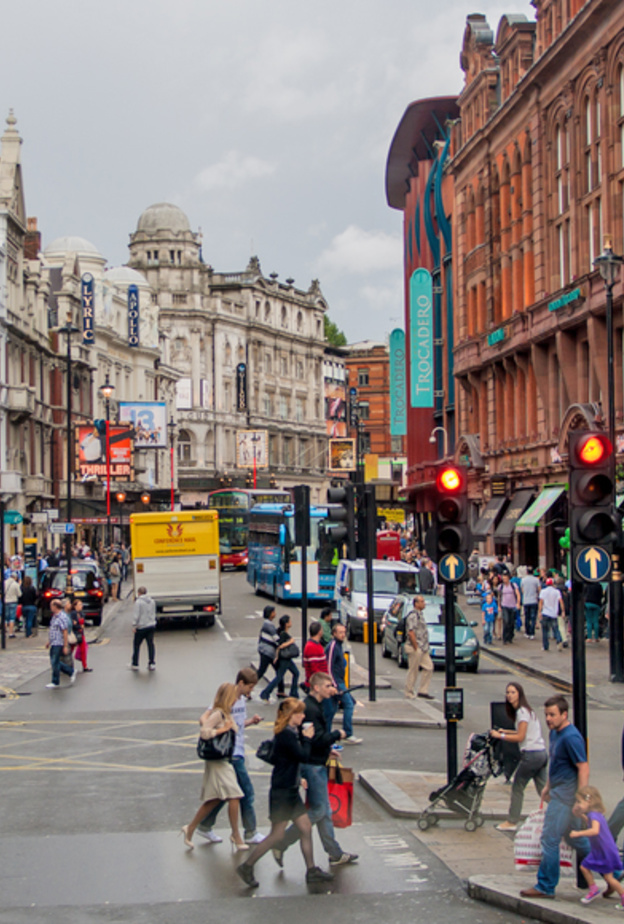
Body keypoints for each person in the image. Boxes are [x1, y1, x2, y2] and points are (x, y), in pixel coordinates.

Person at [236, 697, 333, 887]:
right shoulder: (286, 734)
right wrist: (307, 738)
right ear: (292, 715)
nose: (303, 716)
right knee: (277, 835)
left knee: (305, 827)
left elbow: (290, 760)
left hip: (290, 789)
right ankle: (247, 866)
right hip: (282, 792)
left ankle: (311, 870)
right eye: (300, 713)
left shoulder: (290, 731)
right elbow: (302, 756)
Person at [271, 672, 358, 868]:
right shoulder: (310, 708)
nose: (332, 689)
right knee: (319, 810)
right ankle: (281, 842)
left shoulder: (316, 706)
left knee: (324, 811)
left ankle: (334, 853)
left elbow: (316, 738)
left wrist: (328, 752)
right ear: (316, 687)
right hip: (312, 766)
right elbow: (314, 738)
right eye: (328, 686)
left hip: (316, 762)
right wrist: (338, 734)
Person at [520, 694, 590, 900]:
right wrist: (547, 787)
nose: (548, 719)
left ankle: (546, 885)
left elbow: (583, 767)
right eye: (546, 715)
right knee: (576, 839)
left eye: (552, 715)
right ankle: (615, 873)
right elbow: (557, 764)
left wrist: (581, 799)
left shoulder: (571, 737)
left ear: (564, 714)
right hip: (558, 792)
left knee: (549, 839)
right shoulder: (555, 733)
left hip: (566, 798)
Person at [197, 668, 264, 845]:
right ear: (241, 683)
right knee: (246, 792)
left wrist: (251, 721)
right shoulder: (228, 700)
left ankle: (204, 825)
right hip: (231, 753)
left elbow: (238, 725)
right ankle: (250, 832)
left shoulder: (242, 700)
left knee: (229, 794)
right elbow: (205, 718)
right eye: (250, 687)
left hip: (238, 750)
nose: (251, 691)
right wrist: (218, 730)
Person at [181, 682, 246, 850]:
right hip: (217, 761)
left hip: (223, 760)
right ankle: (236, 834)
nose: (235, 701)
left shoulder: (226, 713)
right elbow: (204, 731)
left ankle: (191, 827)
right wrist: (222, 730)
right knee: (235, 795)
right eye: (233, 698)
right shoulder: (218, 714)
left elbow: (235, 730)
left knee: (215, 799)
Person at [490, 682, 548, 831]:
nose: (509, 695)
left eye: (513, 692)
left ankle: (512, 821)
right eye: (508, 692)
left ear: (519, 694)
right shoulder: (528, 711)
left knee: (517, 787)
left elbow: (520, 737)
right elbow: (523, 733)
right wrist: (506, 731)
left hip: (531, 755)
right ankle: (567, 815)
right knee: (544, 791)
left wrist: (500, 735)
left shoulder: (522, 712)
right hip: (541, 753)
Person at [570, 786, 624, 906]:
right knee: (605, 876)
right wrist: (581, 816)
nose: (578, 804)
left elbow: (594, 830)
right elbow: (591, 823)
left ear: (588, 801)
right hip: (603, 850)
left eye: (579, 801)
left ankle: (594, 889)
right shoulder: (594, 814)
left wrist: (578, 833)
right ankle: (597, 890)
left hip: (604, 851)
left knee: (599, 873)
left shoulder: (594, 815)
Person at [325, 622, 362, 744]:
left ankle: (327, 734)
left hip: (339, 681)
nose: (343, 635)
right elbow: (328, 666)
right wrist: (333, 685)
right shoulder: (333, 646)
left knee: (332, 710)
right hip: (336, 682)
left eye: (344, 632)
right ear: (334, 633)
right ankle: (347, 733)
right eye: (340, 632)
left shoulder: (339, 646)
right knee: (349, 704)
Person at [260, 614, 299, 702]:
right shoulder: (283, 634)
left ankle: (294, 693)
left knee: (296, 673)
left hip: (286, 658)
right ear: (286, 623)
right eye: (289, 621)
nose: (291, 622)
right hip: (284, 658)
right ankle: (265, 693)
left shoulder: (282, 632)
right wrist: (290, 642)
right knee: (279, 677)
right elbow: (280, 646)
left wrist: (276, 657)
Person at [403, 594, 434, 700]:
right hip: (415, 647)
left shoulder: (420, 615)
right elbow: (411, 632)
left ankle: (423, 690)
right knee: (413, 670)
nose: (424, 603)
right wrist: (416, 647)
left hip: (423, 647)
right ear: (416, 604)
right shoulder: (413, 616)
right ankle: (409, 692)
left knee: (429, 667)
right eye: (422, 601)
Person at [45, 599, 76, 688]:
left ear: (55, 606)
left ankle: (55, 681)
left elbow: (65, 631)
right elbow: (53, 630)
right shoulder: (55, 616)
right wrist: (49, 641)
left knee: (54, 662)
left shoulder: (61, 617)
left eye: (51, 605)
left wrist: (65, 645)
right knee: (55, 661)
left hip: (58, 642)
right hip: (54, 642)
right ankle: (71, 671)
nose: (50, 607)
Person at [255, 605, 283, 696]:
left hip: (267, 651)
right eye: (274, 612)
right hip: (267, 651)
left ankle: (281, 690)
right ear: (270, 613)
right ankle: (249, 686)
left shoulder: (267, 623)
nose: (275, 613)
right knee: (262, 671)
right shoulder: (268, 624)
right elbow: (276, 638)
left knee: (278, 670)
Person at [130, 586, 156, 671]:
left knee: (136, 645)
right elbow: (153, 612)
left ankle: (135, 664)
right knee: (150, 644)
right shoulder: (152, 601)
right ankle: (151, 663)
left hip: (141, 627)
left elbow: (136, 615)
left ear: (139, 593)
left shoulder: (138, 602)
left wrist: (134, 625)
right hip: (151, 625)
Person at [538, 578, 564, 652]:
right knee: (556, 628)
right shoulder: (556, 591)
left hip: (545, 613)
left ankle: (545, 646)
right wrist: (563, 611)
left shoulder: (543, 591)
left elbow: (541, 602)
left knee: (545, 630)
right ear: (553, 584)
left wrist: (539, 612)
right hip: (554, 613)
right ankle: (559, 640)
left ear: (546, 584)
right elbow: (561, 601)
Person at [302, 621, 328, 686]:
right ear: (319, 632)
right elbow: (315, 669)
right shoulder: (311, 647)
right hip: (317, 684)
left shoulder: (317, 644)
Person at [498, 572, 521, 645]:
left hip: (512, 606)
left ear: (508, 578)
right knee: (506, 621)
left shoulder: (513, 585)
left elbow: (518, 594)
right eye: (503, 578)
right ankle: (505, 638)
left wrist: (518, 603)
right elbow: (499, 597)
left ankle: (510, 637)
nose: (504, 580)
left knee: (511, 622)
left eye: (505, 578)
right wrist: (499, 606)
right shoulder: (501, 586)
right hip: (504, 606)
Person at [71, 598, 92, 672]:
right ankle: (68, 665)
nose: (81, 606)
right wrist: (79, 626)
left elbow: (81, 623)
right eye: (80, 604)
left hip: (81, 633)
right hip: (75, 633)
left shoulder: (81, 613)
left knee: (83, 650)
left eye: (81, 604)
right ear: (75, 606)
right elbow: (73, 624)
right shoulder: (73, 613)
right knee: (71, 650)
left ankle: (85, 666)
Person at [520, 567, 541, 639]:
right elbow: (539, 590)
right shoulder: (536, 580)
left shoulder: (523, 580)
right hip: (534, 600)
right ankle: (532, 633)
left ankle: (527, 632)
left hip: (526, 600)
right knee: (533, 617)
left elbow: (522, 590)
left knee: (527, 617)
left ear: (526, 572)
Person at [20, 575, 38, 639]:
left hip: (24, 606)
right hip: (31, 606)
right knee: (30, 620)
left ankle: (27, 631)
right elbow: (35, 597)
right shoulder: (32, 588)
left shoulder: (21, 588)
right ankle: (29, 633)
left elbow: (20, 598)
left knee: (26, 620)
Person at [4, 570, 21, 638]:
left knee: (5, 618)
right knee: (12, 618)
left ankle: (4, 633)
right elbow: (19, 594)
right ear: (15, 577)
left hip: (5, 601)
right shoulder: (16, 584)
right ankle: (11, 633)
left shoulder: (4, 583)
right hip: (13, 602)